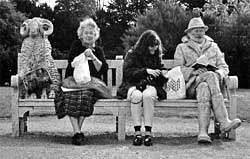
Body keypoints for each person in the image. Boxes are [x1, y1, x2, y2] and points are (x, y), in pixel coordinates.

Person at [173, 17, 241, 144]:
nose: (199, 33)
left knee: (205, 86)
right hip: (191, 85)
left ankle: (203, 133)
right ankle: (224, 121)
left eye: (201, 30)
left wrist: (218, 73)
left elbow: (224, 67)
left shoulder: (213, 47)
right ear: (189, 33)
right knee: (208, 77)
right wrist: (193, 71)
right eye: (196, 31)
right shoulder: (182, 47)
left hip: (209, 85)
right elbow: (177, 69)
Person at [58, 17, 109, 145]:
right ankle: (77, 132)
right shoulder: (76, 45)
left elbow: (102, 69)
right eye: (86, 33)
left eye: (91, 33)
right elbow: (72, 62)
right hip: (73, 82)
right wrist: (83, 55)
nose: (88, 35)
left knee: (85, 96)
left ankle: (77, 132)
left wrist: (92, 56)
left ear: (95, 35)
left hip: (92, 84)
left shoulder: (99, 50)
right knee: (69, 96)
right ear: (81, 34)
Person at [117, 30, 168, 146]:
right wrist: (145, 71)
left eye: (155, 47)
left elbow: (161, 69)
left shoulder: (156, 54)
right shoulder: (132, 54)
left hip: (151, 85)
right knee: (136, 96)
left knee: (148, 96)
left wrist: (163, 74)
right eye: (151, 47)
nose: (153, 50)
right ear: (144, 45)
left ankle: (148, 133)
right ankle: (137, 133)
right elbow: (128, 73)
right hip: (132, 84)